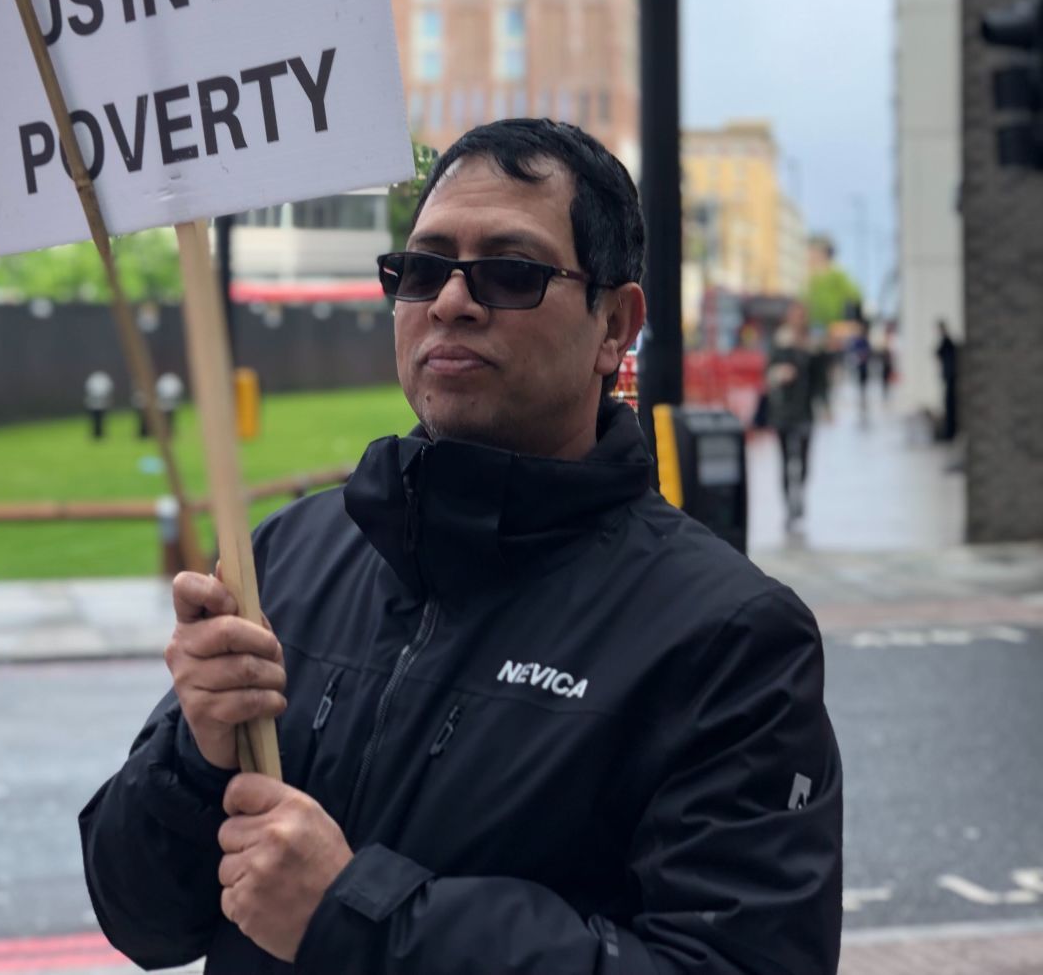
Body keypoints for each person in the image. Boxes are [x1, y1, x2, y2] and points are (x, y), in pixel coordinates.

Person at [80, 119, 843, 974]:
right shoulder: (285, 558)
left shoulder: (728, 639)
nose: (450, 301)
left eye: (510, 273)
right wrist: (195, 752)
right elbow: (139, 919)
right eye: (423, 268)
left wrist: (358, 920)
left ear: (614, 326)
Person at [766, 306, 817, 529]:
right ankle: (789, 505)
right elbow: (768, 372)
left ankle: (800, 495)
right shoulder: (779, 343)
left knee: (804, 460)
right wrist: (779, 374)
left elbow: (819, 377)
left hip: (805, 411)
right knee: (785, 460)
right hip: (783, 411)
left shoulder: (810, 345)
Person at [935, 319, 959, 443]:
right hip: (949, 377)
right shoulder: (947, 342)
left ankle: (950, 432)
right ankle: (949, 431)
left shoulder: (947, 342)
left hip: (950, 377)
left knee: (950, 404)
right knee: (948, 404)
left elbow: (938, 352)